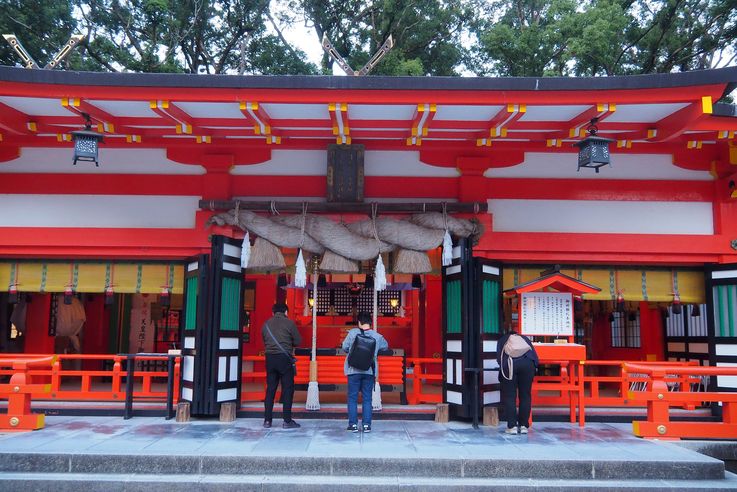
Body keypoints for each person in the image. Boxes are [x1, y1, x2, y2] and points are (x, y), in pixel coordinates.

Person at [341, 311, 388, 433]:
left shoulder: (352, 333)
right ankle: (367, 425)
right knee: (367, 398)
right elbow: (385, 346)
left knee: (352, 398)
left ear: (359, 322)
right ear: (370, 323)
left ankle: (353, 425)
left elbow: (344, 347)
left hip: (353, 370)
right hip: (369, 370)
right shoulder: (377, 336)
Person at [262, 302, 302, 429]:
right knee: (287, 389)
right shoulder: (289, 323)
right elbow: (298, 341)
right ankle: (287, 420)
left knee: (270, 389)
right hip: (284, 358)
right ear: (286, 312)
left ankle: (267, 421)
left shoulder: (266, 324)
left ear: (273, 313)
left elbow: (264, 339)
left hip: (270, 358)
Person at [496, 329, 538, 435]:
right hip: (528, 364)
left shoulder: (502, 340)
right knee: (525, 395)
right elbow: (535, 357)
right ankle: (523, 426)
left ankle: (512, 426)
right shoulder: (525, 339)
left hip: (510, 365)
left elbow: (499, 358)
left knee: (510, 396)